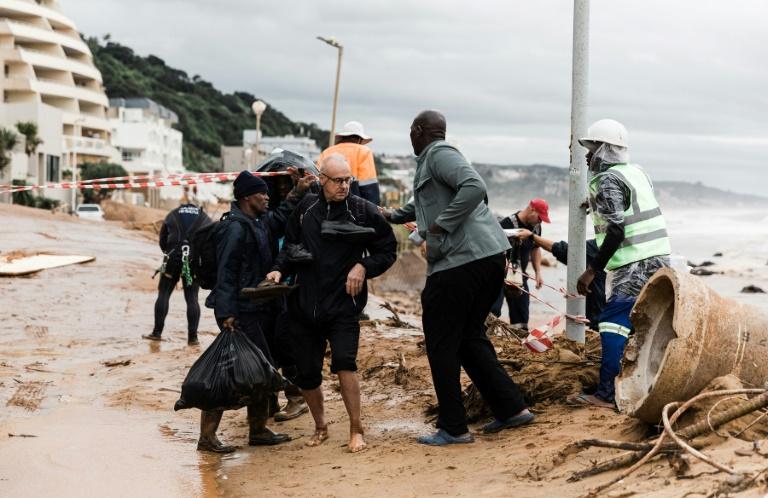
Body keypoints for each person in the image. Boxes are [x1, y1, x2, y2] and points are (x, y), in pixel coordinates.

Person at [384, 110, 532, 446]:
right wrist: (389, 215)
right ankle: (512, 409)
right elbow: (421, 206)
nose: (409, 136)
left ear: (420, 131)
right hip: (486, 257)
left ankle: (453, 426)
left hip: (461, 262)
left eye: (410, 130)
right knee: (468, 336)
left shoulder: (439, 154)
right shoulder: (430, 163)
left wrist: (440, 227)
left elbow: (474, 186)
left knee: (441, 341)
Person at [267, 153, 396, 453]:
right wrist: (278, 269)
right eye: (338, 180)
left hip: (344, 306)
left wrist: (363, 267)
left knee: (344, 364)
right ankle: (320, 426)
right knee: (307, 372)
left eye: (348, 180)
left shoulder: (362, 211)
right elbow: (290, 248)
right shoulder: (304, 209)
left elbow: (387, 250)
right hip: (304, 305)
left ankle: (356, 429)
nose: (344, 186)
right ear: (322, 179)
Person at [197, 169, 315, 453]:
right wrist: (226, 313)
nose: (267, 197)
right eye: (262, 193)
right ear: (248, 196)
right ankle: (207, 436)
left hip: (260, 309)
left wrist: (297, 193)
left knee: (263, 368)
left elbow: (278, 219)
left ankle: (258, 429)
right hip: (241, 313)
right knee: (230, 373)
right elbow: (226, 273)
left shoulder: (257, 222)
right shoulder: (234, 228)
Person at [570, 119, 671, 409]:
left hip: (634, 262)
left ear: (605, 150)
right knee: (643, 322)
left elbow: (616, 228)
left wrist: (592, 270)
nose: (588, 156)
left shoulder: (608, 180)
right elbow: (628, 207)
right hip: (659, 256)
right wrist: (593, 203)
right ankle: (643, 381)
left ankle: (606, 395)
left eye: (592, 149)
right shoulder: (636, 172)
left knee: (612, 322)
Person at [143, 201, 212, 345]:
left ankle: (156, 333)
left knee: (163, 294)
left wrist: (168, 252)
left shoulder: (173, 214)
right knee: (192, 298)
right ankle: (193, 338)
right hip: (193, 260)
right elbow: (210, 243)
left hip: (172, 258)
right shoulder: (204, 217)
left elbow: (162, 240)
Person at [515, 230, 606, 330]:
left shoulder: (602, 246)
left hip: (605, 315)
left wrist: (532, 237)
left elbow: (566, 251)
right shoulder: (614, 243)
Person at [491, 199, 549, 330]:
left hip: (519, 277)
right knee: (493, 311)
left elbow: (535, 249)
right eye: (540, 218)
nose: (540, 222)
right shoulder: (506, 224)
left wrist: (538, 272)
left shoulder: (536, 227)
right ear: (532, 210)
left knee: (521, 316)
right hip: (499, 275)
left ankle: (519, 339)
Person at [317, 121, 380, 205]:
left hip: (327, 204)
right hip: (353, 206)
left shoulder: (327, 152)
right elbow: (369, 187)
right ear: (359, 139)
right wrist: (374, 210)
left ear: (343, 137)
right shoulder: (364, 151)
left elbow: (318, 180)